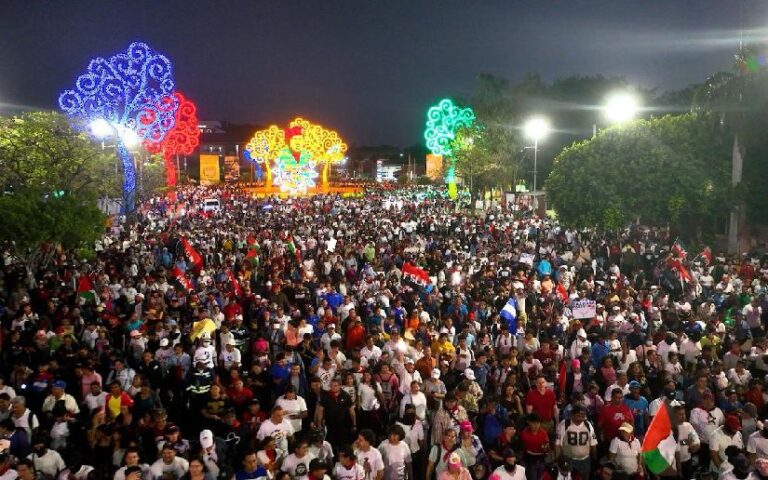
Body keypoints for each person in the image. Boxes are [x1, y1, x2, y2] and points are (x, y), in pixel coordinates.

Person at [555, 405, 597, 479]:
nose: (580, 418)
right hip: (568, 460)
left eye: (582, 416)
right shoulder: (564, 424)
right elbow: (557, 444)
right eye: (578, 416)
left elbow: (593, 444)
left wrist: (594, 458)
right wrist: (558, 460)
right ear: (572, 415)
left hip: (585, 461)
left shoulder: (588, 424)